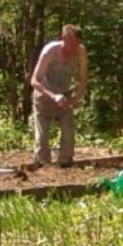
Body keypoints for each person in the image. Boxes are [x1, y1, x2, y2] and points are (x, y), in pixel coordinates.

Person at [29, 24, 87, 167]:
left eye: (77, 43)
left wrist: (76, 97)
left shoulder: (80, 52)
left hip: (65, 96)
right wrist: (53, 96)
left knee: (68, 134)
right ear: (64, 38)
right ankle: (42, 166)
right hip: (44, 96)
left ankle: (65, 164)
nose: (74, 47)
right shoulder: (50, 51)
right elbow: (34, 81)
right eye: (72, 43)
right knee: (42, 139)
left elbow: (83, 78)